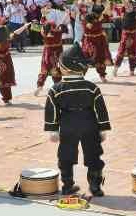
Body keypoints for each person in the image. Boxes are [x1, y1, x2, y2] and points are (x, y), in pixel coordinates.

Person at [45, 43, 111, 196]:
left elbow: (51, 110)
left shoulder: (56, 89)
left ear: (66, 68)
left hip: (68, 124)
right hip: (89, 123)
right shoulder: (91, 87)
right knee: (94, 154)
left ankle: (67, 186)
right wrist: (103, 128)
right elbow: (100, 109)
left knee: (66, 155)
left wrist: (53, 130)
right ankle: (95, 186)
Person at [34, 6, 66, 96]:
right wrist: (66, 14)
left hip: (48, 53)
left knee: (44, 69)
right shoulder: (58, 33)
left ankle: (39, 86)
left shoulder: (44, 34)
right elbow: (61, 23)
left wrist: (43, 15)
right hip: (58, 53)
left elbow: (42, 25)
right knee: (56, 69)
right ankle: (57, 87)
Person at [81, 4, 112, 83]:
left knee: (101, 58)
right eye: (98, 14)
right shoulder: (88, 17)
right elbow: (90, 26)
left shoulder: (100, 16)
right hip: (89, 40)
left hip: (99, 40)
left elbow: (108, 15)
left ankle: (102, 76)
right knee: (87, 57)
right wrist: (98, 21)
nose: (99, 15)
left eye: (100, 13)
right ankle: (81, 77)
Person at [113, 0, 136, 77]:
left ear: (132, 4)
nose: (127, 4)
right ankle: (115, 68)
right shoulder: (123, 10)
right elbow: (122, 14)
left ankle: (132, 70)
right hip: (125, 33)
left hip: (133, 34)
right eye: (126, 3)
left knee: (133, 51)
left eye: (129, 2)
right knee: (121, 51)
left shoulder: (135, 10)